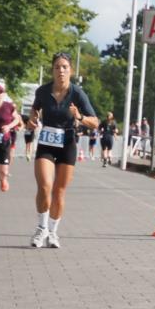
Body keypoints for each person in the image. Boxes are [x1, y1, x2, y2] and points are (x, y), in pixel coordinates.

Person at [28, 52, 99, 248]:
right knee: (44, 186)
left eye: (65, 67)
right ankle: (41, 228)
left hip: (67, 143)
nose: (61, 70)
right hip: (47, 143)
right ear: (52, 70)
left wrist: (79, 117)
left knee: (59, 191)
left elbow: (95, 122)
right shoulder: (42, 91)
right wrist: (33, 119)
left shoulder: (77, 93)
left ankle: (53, 232)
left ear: (71, 71)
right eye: (57, 67)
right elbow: (35, 110)